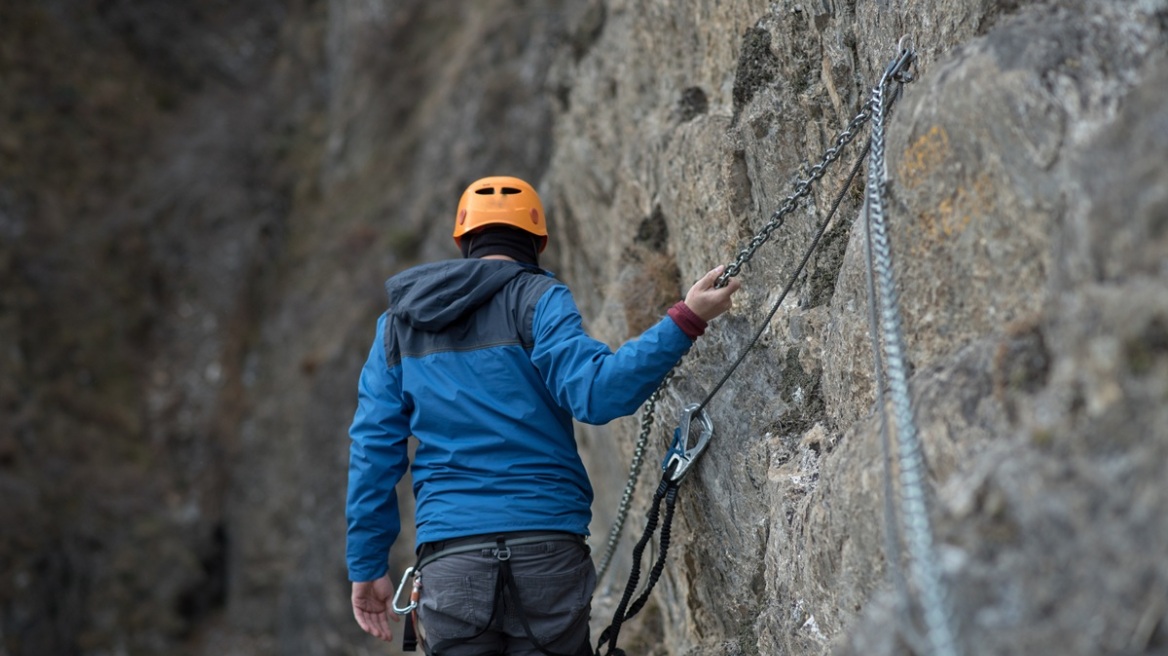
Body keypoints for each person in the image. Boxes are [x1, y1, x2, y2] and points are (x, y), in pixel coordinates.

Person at [346, 175, 740, 655]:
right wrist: (686, 319)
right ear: (536, 241)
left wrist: (367, 565)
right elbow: (597, 394)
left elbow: (372, 454)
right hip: (547, 557)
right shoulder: (537, 299)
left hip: (452, 566)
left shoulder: (398, 327)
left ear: (464, 240)